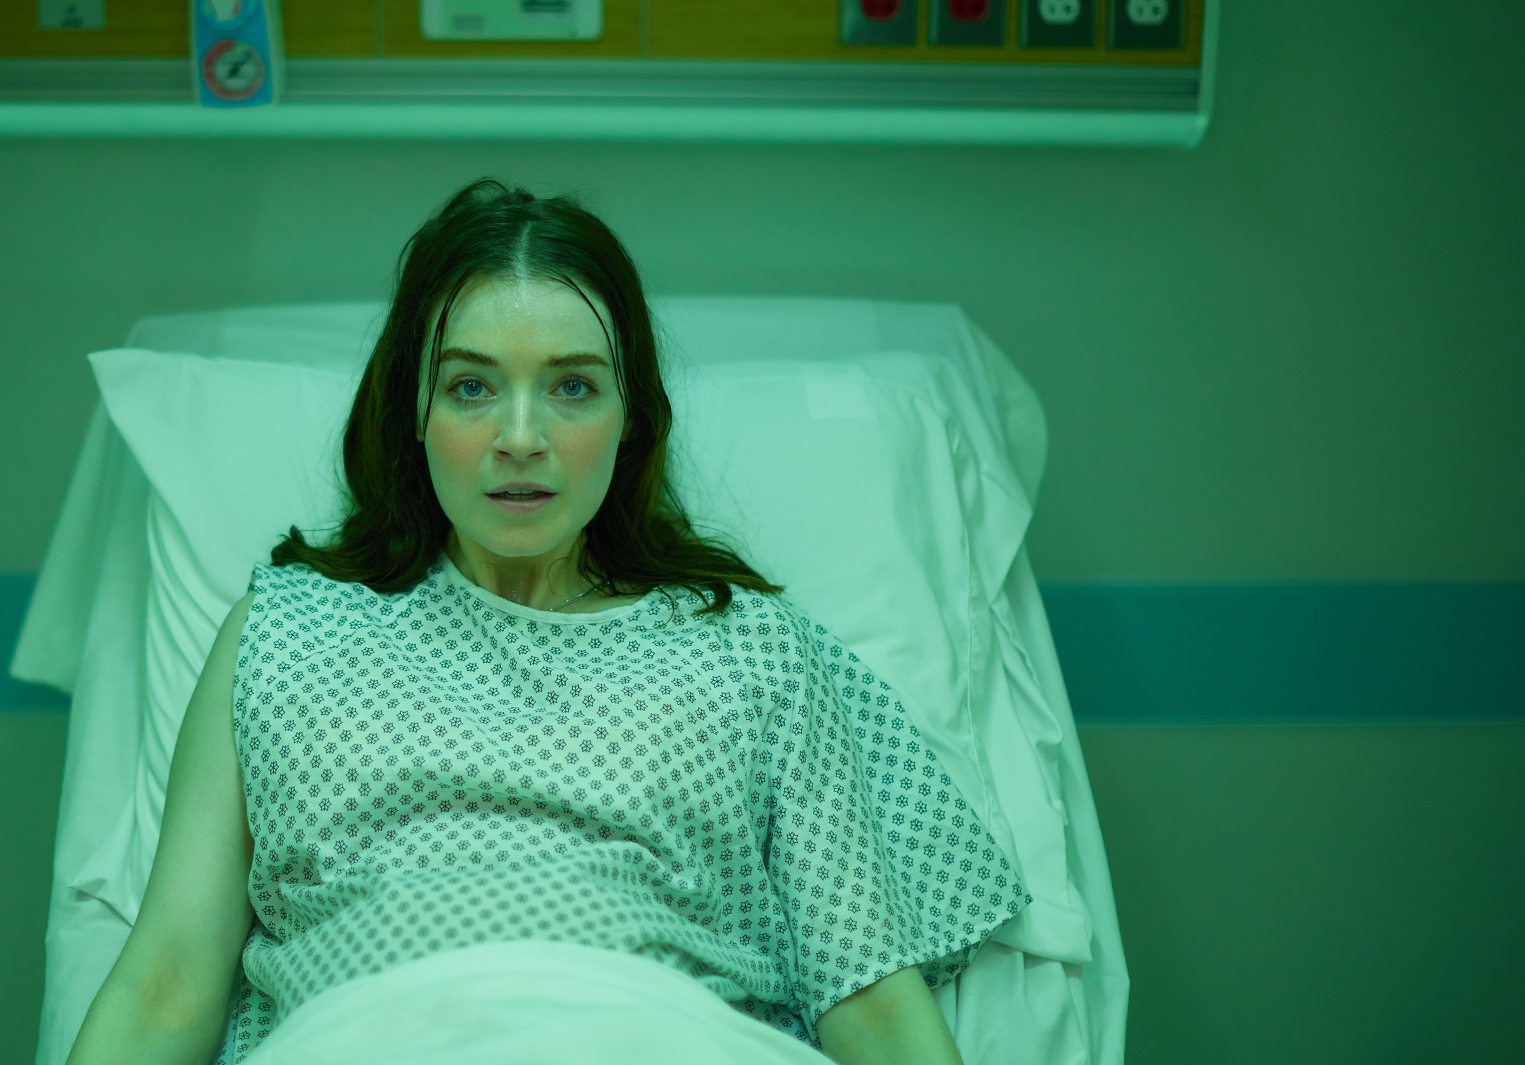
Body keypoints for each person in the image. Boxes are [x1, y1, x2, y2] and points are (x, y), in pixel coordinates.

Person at [66, 178, 1026, 1065]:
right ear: (413, 410)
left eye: (572, 387)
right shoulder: (283, 636)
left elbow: (870, 1000)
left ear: (631, 416)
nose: (520, 438)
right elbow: (166, 989)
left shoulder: (748, 648)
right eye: (471, 386)